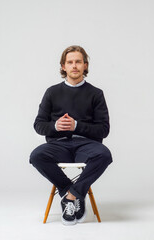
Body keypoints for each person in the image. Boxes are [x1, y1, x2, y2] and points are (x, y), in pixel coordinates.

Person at [29, 45, 112, 225]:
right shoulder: (52, 92)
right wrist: (56, 126)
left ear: (85, 65)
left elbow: (103, 130)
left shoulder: (96, 94)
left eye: (78, 62)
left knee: (104, 155)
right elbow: (38, 125)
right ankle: (71, 194)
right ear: (63, 66)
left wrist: (77, 126)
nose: (74, 66)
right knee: (36, 156)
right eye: (70, 62)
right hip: (59, 145)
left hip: (86, 145)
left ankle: (72, 196)